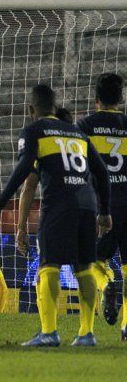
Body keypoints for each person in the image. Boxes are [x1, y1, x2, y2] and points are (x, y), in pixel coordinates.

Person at [0, 84, 111, 347]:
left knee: (49, 266)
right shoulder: (78, 132)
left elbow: (26, 173)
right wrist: (104, 212)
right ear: (56, 108)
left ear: (31, 109)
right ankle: (87, 333)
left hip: (59, 205)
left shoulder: (35, 131)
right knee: (84, 268)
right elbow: (101, 173)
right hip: (88, 204)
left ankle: (49, 332)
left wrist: (1, 202)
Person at [74, 73, 127, 340]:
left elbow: (78, 167)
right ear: (121, 99)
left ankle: (106, 283)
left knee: (89, 259)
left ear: (96, 100)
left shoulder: (86, 125)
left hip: (100, 205)